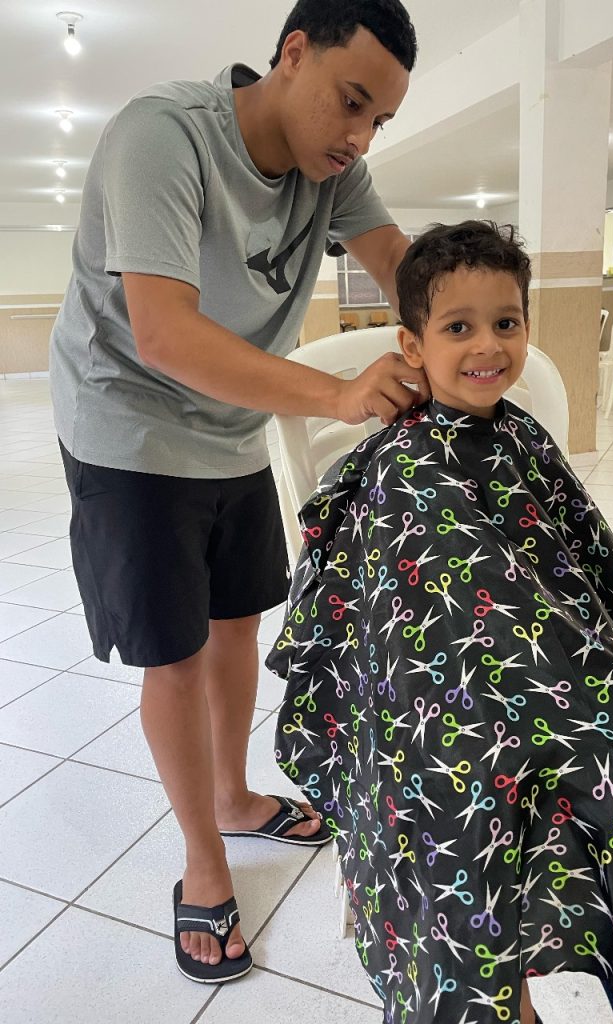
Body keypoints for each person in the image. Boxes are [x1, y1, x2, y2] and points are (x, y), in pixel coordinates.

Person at [49, 0, 427, 984]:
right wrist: (339, 391)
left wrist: (467, 328)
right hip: (129, 427)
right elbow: (164, 333)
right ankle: (204, 856)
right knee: (173, 656)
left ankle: (233, 795)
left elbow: (400, 265)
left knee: (236, 624)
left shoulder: (332, 170)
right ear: (293, 53)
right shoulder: (163, 136)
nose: (360, 136)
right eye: (352, 101)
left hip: (229, 426)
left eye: (380, 120)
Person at [266, 221, 613, 1024]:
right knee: (465, 795)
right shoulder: (400, 465)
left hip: (546, 666)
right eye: (458, 327)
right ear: (412, 345)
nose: (487, 346)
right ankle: (500, 998)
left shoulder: (522, 437)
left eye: (506, 322)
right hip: (433, 706)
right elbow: (394, 622)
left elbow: (581, 562)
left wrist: (595, 670)